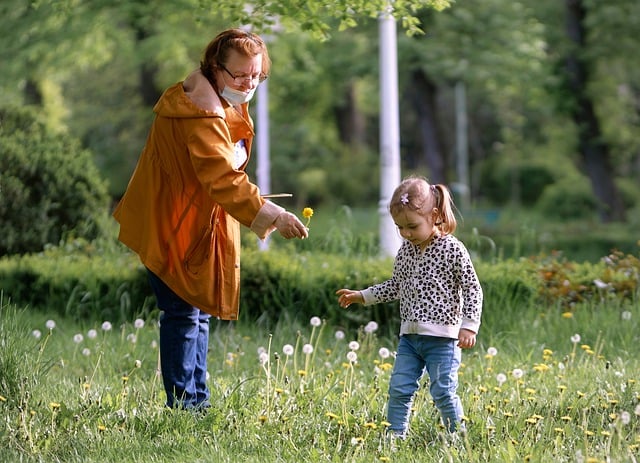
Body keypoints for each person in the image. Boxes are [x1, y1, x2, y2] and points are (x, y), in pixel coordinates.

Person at [113, 28, 308, 410]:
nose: (249, 83)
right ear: (215, 68)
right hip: (174, 223)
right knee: (184, 315)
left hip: (192, 222)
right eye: (240, 75)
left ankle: (196, 402)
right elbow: (222, 177)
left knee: (196, 314)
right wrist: (273, 214)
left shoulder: (221, 100)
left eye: (256, 75)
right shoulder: (199, 111)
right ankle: (184, 406)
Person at [336, 175, 483, 438]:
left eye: (412, 226)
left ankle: (457, 436)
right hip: (410, 338)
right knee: (400, 387)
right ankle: (395, 435)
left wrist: (469, 326)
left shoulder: (452, 250)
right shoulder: (405, 251)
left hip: (443, 339)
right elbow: (395, 286)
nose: (406, 233)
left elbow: (472, 287)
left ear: (434, 215)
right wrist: (362, 295)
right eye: (400, 227)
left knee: (443, 390)